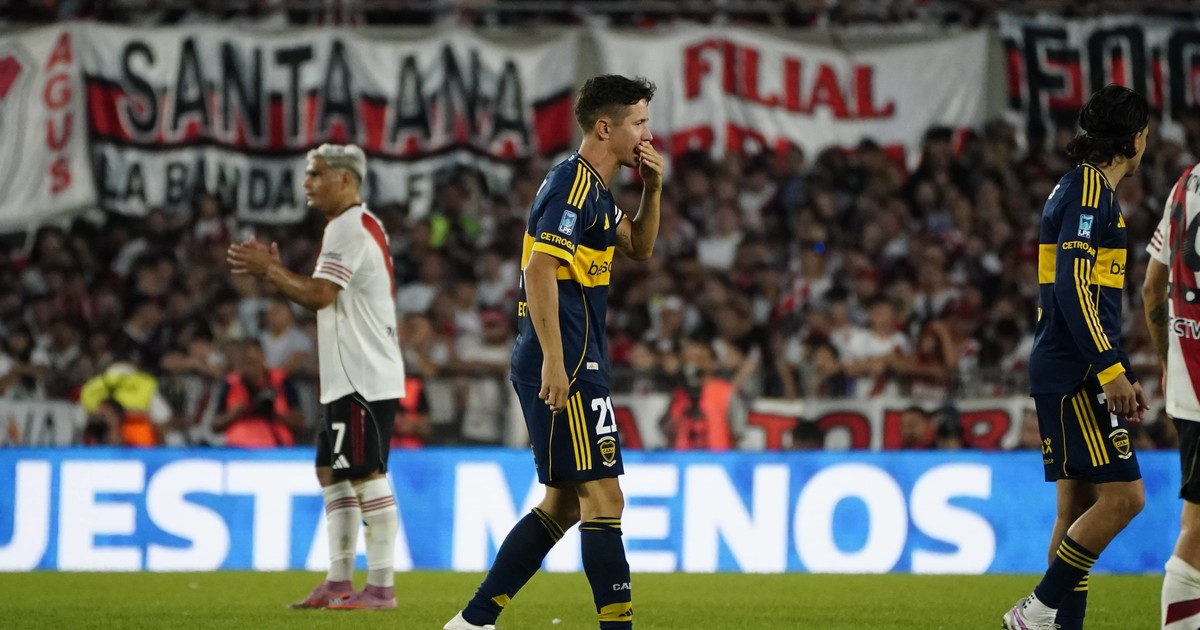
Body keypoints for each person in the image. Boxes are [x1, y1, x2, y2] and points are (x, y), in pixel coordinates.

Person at [444, 74, 662, 630]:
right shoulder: (572, 187)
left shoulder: (596, 190)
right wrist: (555, 360)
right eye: (639, 122)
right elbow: (540, 267)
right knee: (605, 500)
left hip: (574, 356)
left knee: (563, 505)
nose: (647, 134)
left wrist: (654, 190)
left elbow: (639, 247)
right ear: (605, 127)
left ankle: (473, 621)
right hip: (569, 359)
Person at [227, 143, 406, 610]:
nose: (307, 182)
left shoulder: (348, 227)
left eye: (316, 173)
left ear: (345, 179)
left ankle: (381, 587)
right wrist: (276, 272)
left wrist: (270, 270)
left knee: (365, 473)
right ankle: (339, 579)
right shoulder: (355, 224)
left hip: (362, 374)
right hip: (349, 373)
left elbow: (320, 295)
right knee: (332, 471)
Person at [1004, 84, 1150, 630]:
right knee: (1125, 499)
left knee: (1075, 511)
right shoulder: (1090, 190)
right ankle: (1037, 611)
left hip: (1067, 364)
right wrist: (1110, 370)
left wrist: (1121, 368)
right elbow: (1072, 287)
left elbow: (1090, 298)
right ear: (1134, 138)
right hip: (1077, 370)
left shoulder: (1082, 188)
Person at [1143, 161, 1200, 629]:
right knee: (1197, 533)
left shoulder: (1185, 182)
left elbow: (1151, 287)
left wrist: (1167, 361)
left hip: (1188, 375)